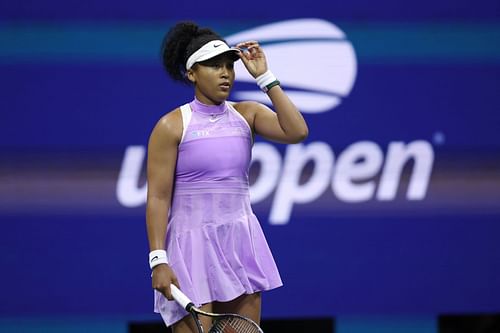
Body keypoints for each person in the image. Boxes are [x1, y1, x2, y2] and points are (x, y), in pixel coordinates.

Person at [146, 21, 308, 332]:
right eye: (213, 66)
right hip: (189, 249)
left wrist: (265, 77)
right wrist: (158, 260)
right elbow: (157, 197)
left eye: (229, 66)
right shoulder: (171, 126)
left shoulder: (247, 114)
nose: (225, 73)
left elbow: (297, 131)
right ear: (191, 73)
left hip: (239, 245)